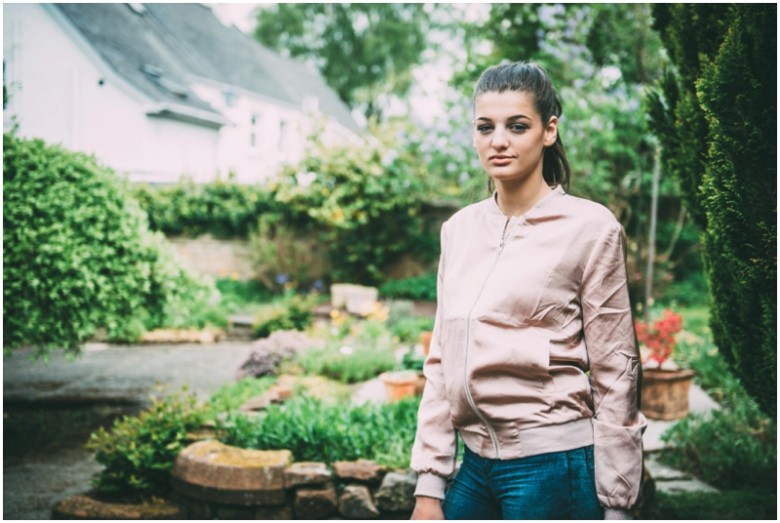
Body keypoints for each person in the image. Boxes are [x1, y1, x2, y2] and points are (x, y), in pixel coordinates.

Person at [409, 61, 647, 520]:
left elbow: (616, 367)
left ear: (549, 130)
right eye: (486, 127)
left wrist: (618, 503)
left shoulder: (591, 227)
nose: (499, 140)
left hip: (554, 465)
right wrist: (429, 483)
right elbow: (441, 359)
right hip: (475, 468)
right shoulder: (458, 230)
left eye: (517, 126)